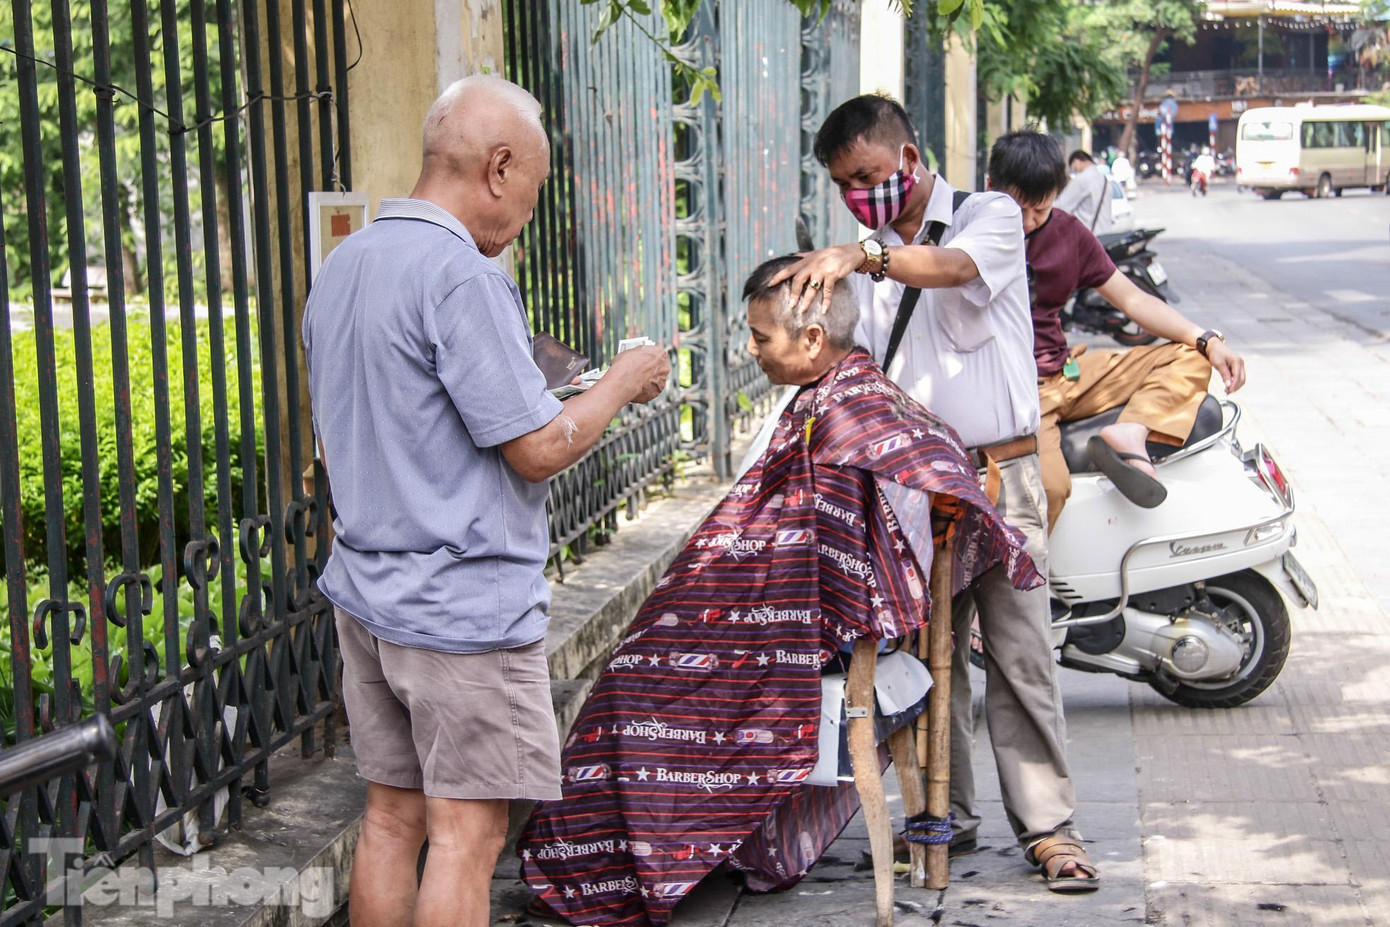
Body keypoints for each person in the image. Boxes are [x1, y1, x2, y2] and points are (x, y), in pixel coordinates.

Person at [518, 259, 1040, 926]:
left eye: (761, 339)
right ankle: (649, 855)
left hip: (798, 632)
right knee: (636, 662)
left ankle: (601, 873)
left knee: (628, 689)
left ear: (813, 341)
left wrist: (703, 592)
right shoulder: (861, 397)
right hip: (779, 610)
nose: (752, 350)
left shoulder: (847, 418)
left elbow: (798, 554)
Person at [301, 75, 670, 927]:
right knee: (467, 835)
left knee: (392, 817)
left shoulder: (347, 262)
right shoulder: (460, 275)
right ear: (499, 167)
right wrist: (621, 381)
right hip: (459, 610)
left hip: (368, 596)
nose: (524, 219)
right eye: (531, 195)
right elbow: (538, 449)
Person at [769, 94, 1097, 892]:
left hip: (999, 477)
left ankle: (1051, 828)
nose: (859, 195)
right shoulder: (867, 261)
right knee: (927, 661)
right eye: (845, 185)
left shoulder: (985, 215)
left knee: (1020, 656)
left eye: (868, 175)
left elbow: (952, 272)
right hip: (914, 490)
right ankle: (943, 816)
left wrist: (864, 257)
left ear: (908, 158)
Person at [984, 129, 1246, 528]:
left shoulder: (1068, 233)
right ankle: (1027, 588)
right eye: (1018, 209)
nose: (1028, 223)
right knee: (1048, 492)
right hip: (1014, 393)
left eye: (1040, 210)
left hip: (1066, 372)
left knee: (1189, 355)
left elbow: (1133, 300)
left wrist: (1207, 339)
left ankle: (1129, 434)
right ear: (991, 188)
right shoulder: (969, 234)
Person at [1054, 148, 1112, 234]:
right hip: (1106, 235)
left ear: (1076, 161)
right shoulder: (1105, 180)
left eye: (1073, 167)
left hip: (1087, 237)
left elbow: (1060, 207)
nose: (1074, 171)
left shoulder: (1082, 179)